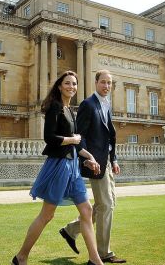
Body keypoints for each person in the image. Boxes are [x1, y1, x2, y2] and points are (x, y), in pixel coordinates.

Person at [12, 71, 104, 265]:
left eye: (74, 84)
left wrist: (89, 157)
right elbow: (50, 138)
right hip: (59, 166)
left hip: (73, 167)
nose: (71, 86)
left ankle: (95, 260)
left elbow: (76, 145)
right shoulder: (55, 108)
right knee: (47, 215)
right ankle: (21, 256)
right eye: (68, 83)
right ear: (60, 86)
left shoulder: (71, 110)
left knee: (86, 210)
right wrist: (73, 139)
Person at [59, 70, 126, 263]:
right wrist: (88, 158)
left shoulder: (106, 105)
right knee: (106, 205)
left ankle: (70, 230)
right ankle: (103, 253)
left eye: (109, 83)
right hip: (95, 162)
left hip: (107, 161)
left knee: (104, 205)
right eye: (103, 82)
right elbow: (81, 136)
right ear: (96, 83)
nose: (106, 86)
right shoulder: (88, 104)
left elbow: (109, 137)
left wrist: (114, 159)